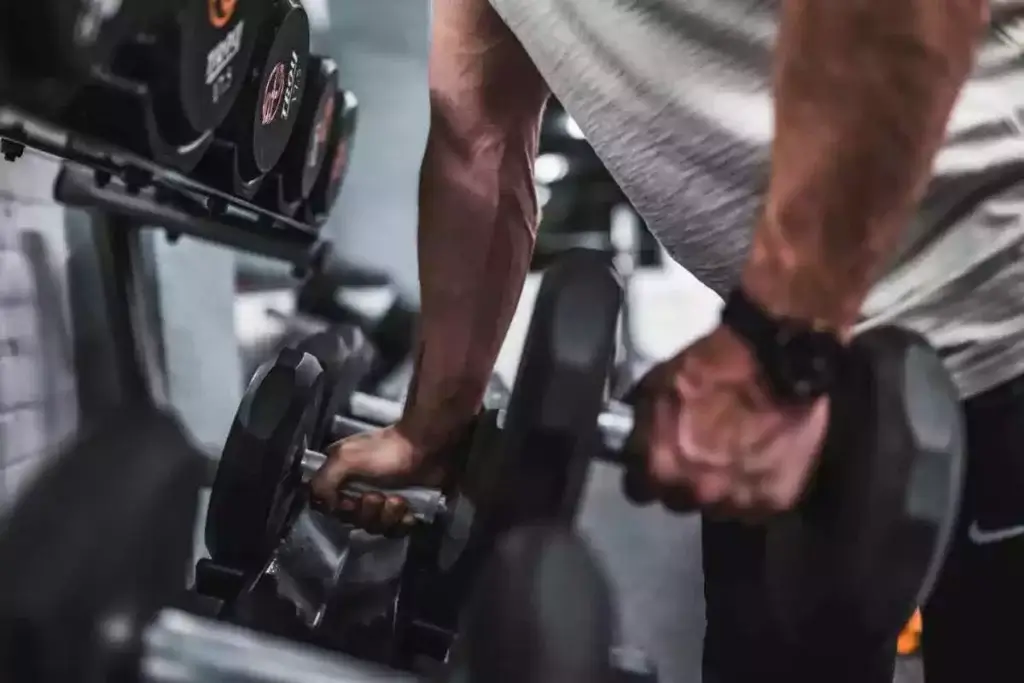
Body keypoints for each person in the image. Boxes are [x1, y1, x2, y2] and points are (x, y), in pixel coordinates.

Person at [311, 0, 1024, 680]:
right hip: (799, 359)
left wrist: (774, 348)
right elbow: (478, 140)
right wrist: (436, 422)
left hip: (993, 313)